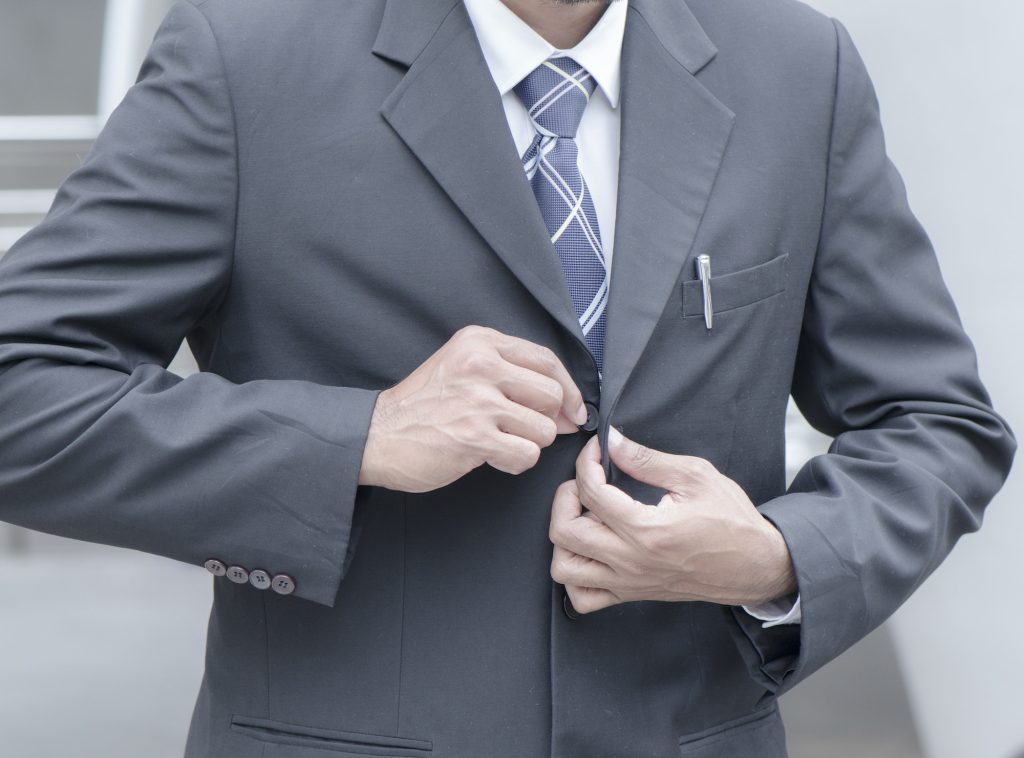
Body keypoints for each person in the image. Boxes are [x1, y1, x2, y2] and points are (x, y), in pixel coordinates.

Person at [0, 0, 1014, 755]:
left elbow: (934, 421)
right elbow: (21, 385)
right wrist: (355, 439)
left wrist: (776, 554)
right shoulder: (243, 58)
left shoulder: (798, 67)